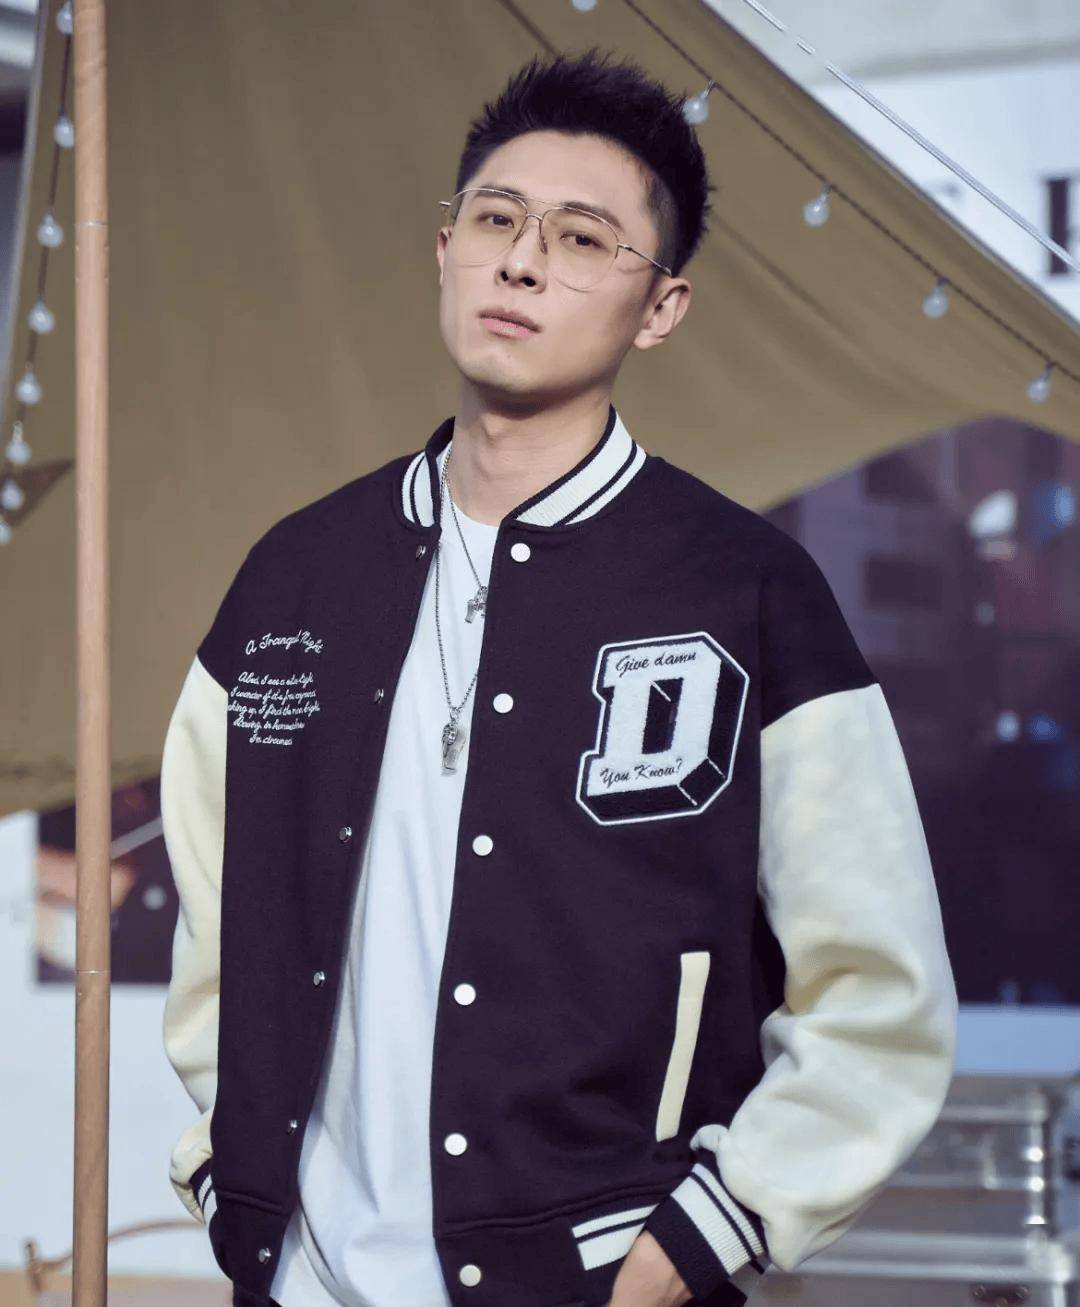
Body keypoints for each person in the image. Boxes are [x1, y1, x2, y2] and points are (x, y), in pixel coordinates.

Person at [160, 47, 958, 1307]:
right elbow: (218, 929)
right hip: (302, 1278)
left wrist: (693, 1245)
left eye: (584, 239)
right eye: (496, 221)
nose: (522, 263)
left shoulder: (744, 589)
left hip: (599, 1274)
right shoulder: (293, 577)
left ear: (662, 308)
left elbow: (880, 995)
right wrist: (230, 1173)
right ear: (445, 250)